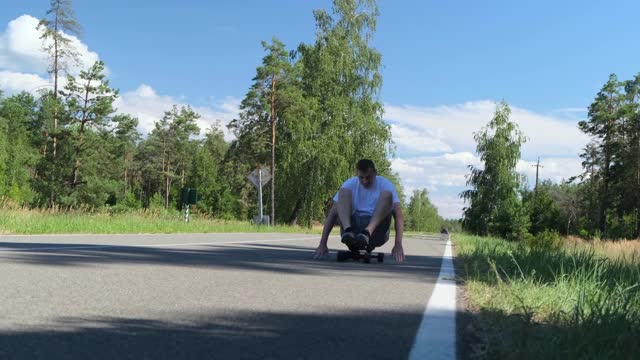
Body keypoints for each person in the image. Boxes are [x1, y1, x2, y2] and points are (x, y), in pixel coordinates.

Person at [312, 159, 405, 262]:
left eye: (368, 177)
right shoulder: (349, 184)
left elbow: (399, 216)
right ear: (357, 174)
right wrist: (322, 244)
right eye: (361, 177)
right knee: (343, 192)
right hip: (353, 229)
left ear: (375, 173)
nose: (365, 181)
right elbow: (333, 214)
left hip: (376, 231)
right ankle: (348, 231)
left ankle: (366, 233)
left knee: (387, 195)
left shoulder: (386, 185)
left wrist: (398, 244)